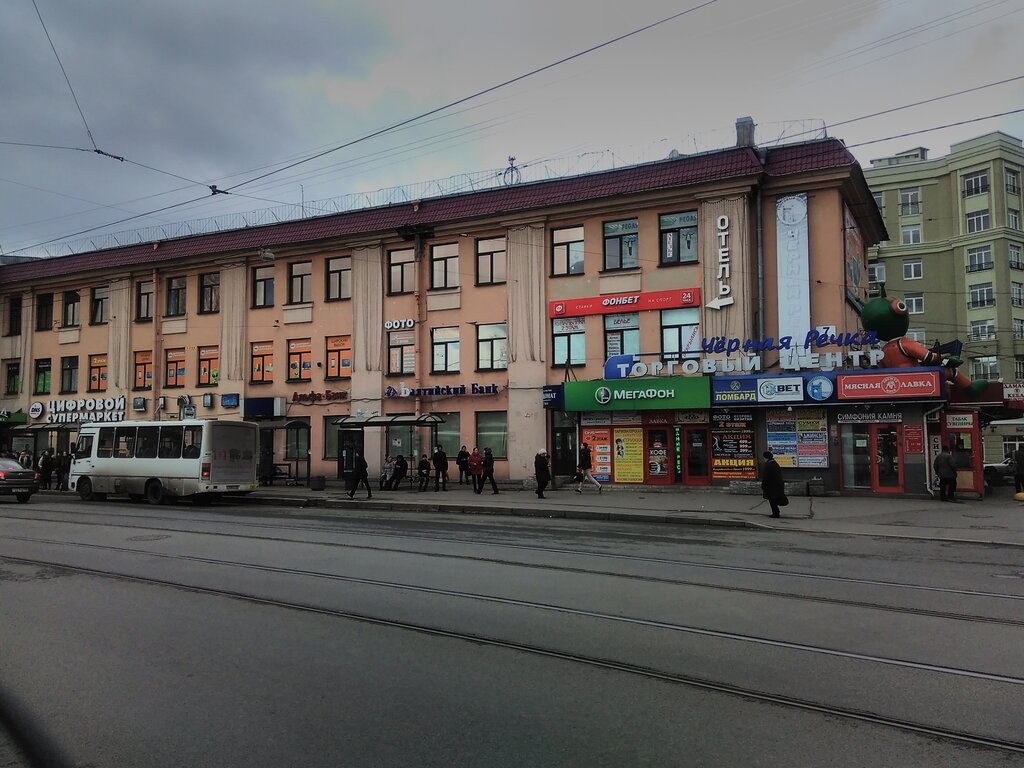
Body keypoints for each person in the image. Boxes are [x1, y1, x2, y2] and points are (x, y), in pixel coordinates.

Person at [760, 450, 786, 518]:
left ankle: (775, 513)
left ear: (765, 457)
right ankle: (776, 512)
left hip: (771, 486)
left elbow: (766, 477)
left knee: (772, 500)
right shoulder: (775, 463)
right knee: (774, 499)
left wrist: (763, 485)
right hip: (777, 485)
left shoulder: (768, 465)